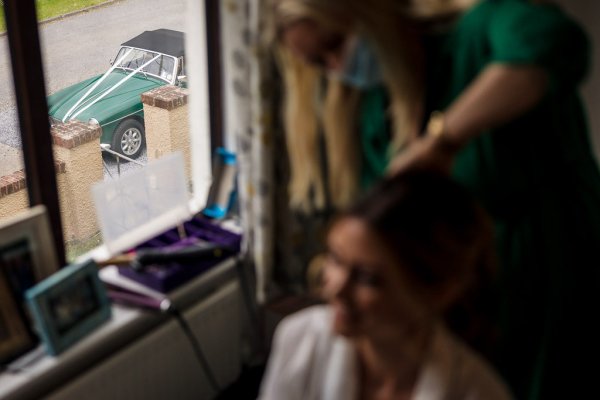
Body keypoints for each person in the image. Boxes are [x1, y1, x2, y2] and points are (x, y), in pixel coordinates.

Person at [270, 1, 600, 398]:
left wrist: (441, 143)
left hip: (552, 290)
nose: (337, 67)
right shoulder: (378, 111)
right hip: (461, 313)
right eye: (319, 63)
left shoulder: (477, 36)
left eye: (337, 44)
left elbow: (553, 44)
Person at [259, 171, 512, 400]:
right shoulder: (301, 341)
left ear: (438, 292)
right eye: (335, 259)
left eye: (367, 278)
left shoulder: (479, 392)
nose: (336, 289)